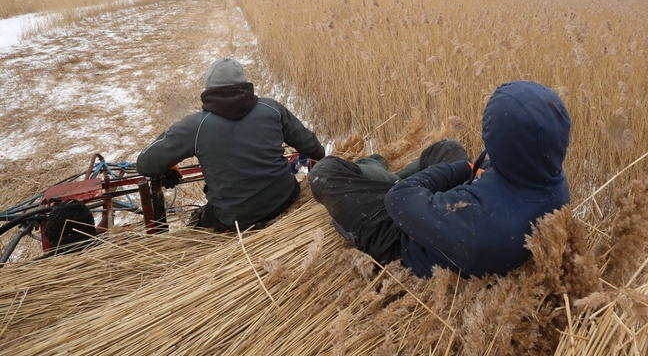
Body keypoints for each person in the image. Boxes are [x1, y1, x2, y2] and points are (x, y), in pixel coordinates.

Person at [309, 80, 571, 278]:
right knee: (446, 147)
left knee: (325, 173)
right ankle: (392, 178)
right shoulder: (551, 179)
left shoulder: (478, 226)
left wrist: (463, 169)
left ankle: (380, 173)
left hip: (402, 239)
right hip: (460, 212)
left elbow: (398, 199)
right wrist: (475, 171)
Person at [137, 58, 326, 232]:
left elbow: (145, 164)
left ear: (209, 90)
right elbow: (315, 149)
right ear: (245, 85)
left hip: (235, 219)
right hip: (286, 197)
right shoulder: (272, 108)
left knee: (196, 222)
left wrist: (169, 165)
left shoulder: (195, 126)